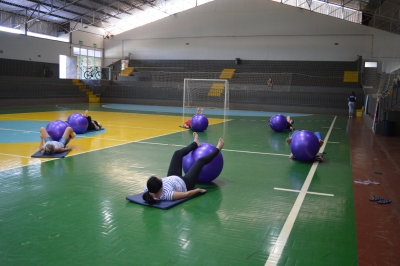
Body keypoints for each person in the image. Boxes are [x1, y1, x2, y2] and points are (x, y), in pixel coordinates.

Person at [142, 132, 224, 204]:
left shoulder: (149, 189)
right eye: (159, 178)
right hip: (186, 183)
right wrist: (198, 190)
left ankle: (195, 143)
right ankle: (218, 149)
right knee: (200, 161)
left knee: (177, 153)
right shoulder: (167, 195)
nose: (159, 177)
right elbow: (186, 194)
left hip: (172, 177)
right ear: (161, 187)